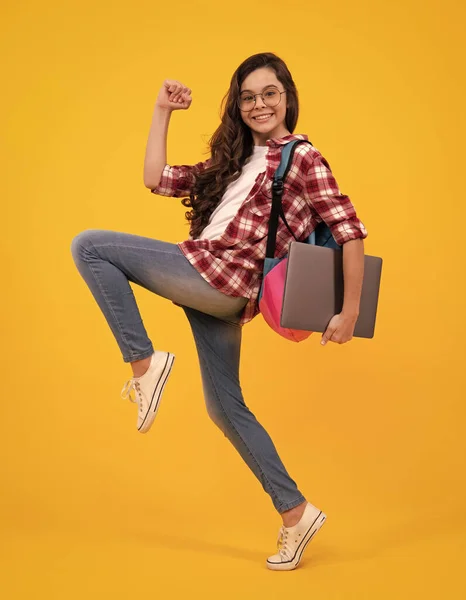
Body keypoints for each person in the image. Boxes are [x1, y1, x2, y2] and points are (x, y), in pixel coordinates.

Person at [70, 52, 368, 571]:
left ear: (287, 97)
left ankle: (144, 362)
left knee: (92, 246)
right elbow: (156, 178)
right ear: (238, 104)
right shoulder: (233, 160)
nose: (259, 105)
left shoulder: (300, 157)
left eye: (270, 93)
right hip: (215, 290)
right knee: (225, 409)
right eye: (248, 96)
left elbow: (349, 230)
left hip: (223, 276)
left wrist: (351, 311)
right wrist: (162, 111)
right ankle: (296, 514)